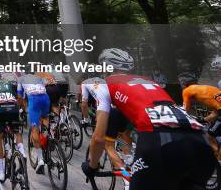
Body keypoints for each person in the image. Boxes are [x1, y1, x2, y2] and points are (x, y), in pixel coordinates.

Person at [82, 48, 216, 190]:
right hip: (200, 140)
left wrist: (92, 167)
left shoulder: (104, 84)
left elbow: (98, 139)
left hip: (161, 140)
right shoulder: (148, 81)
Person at [17, 73, 50, 174]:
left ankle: (40, 160)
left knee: (34, 129)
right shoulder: (37, 77)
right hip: (45, 97)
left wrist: (23, 108)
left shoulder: (20, 79)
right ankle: (47, 136)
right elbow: (44, 87)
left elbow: (19, 97)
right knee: (45, 118)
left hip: (33, 99)